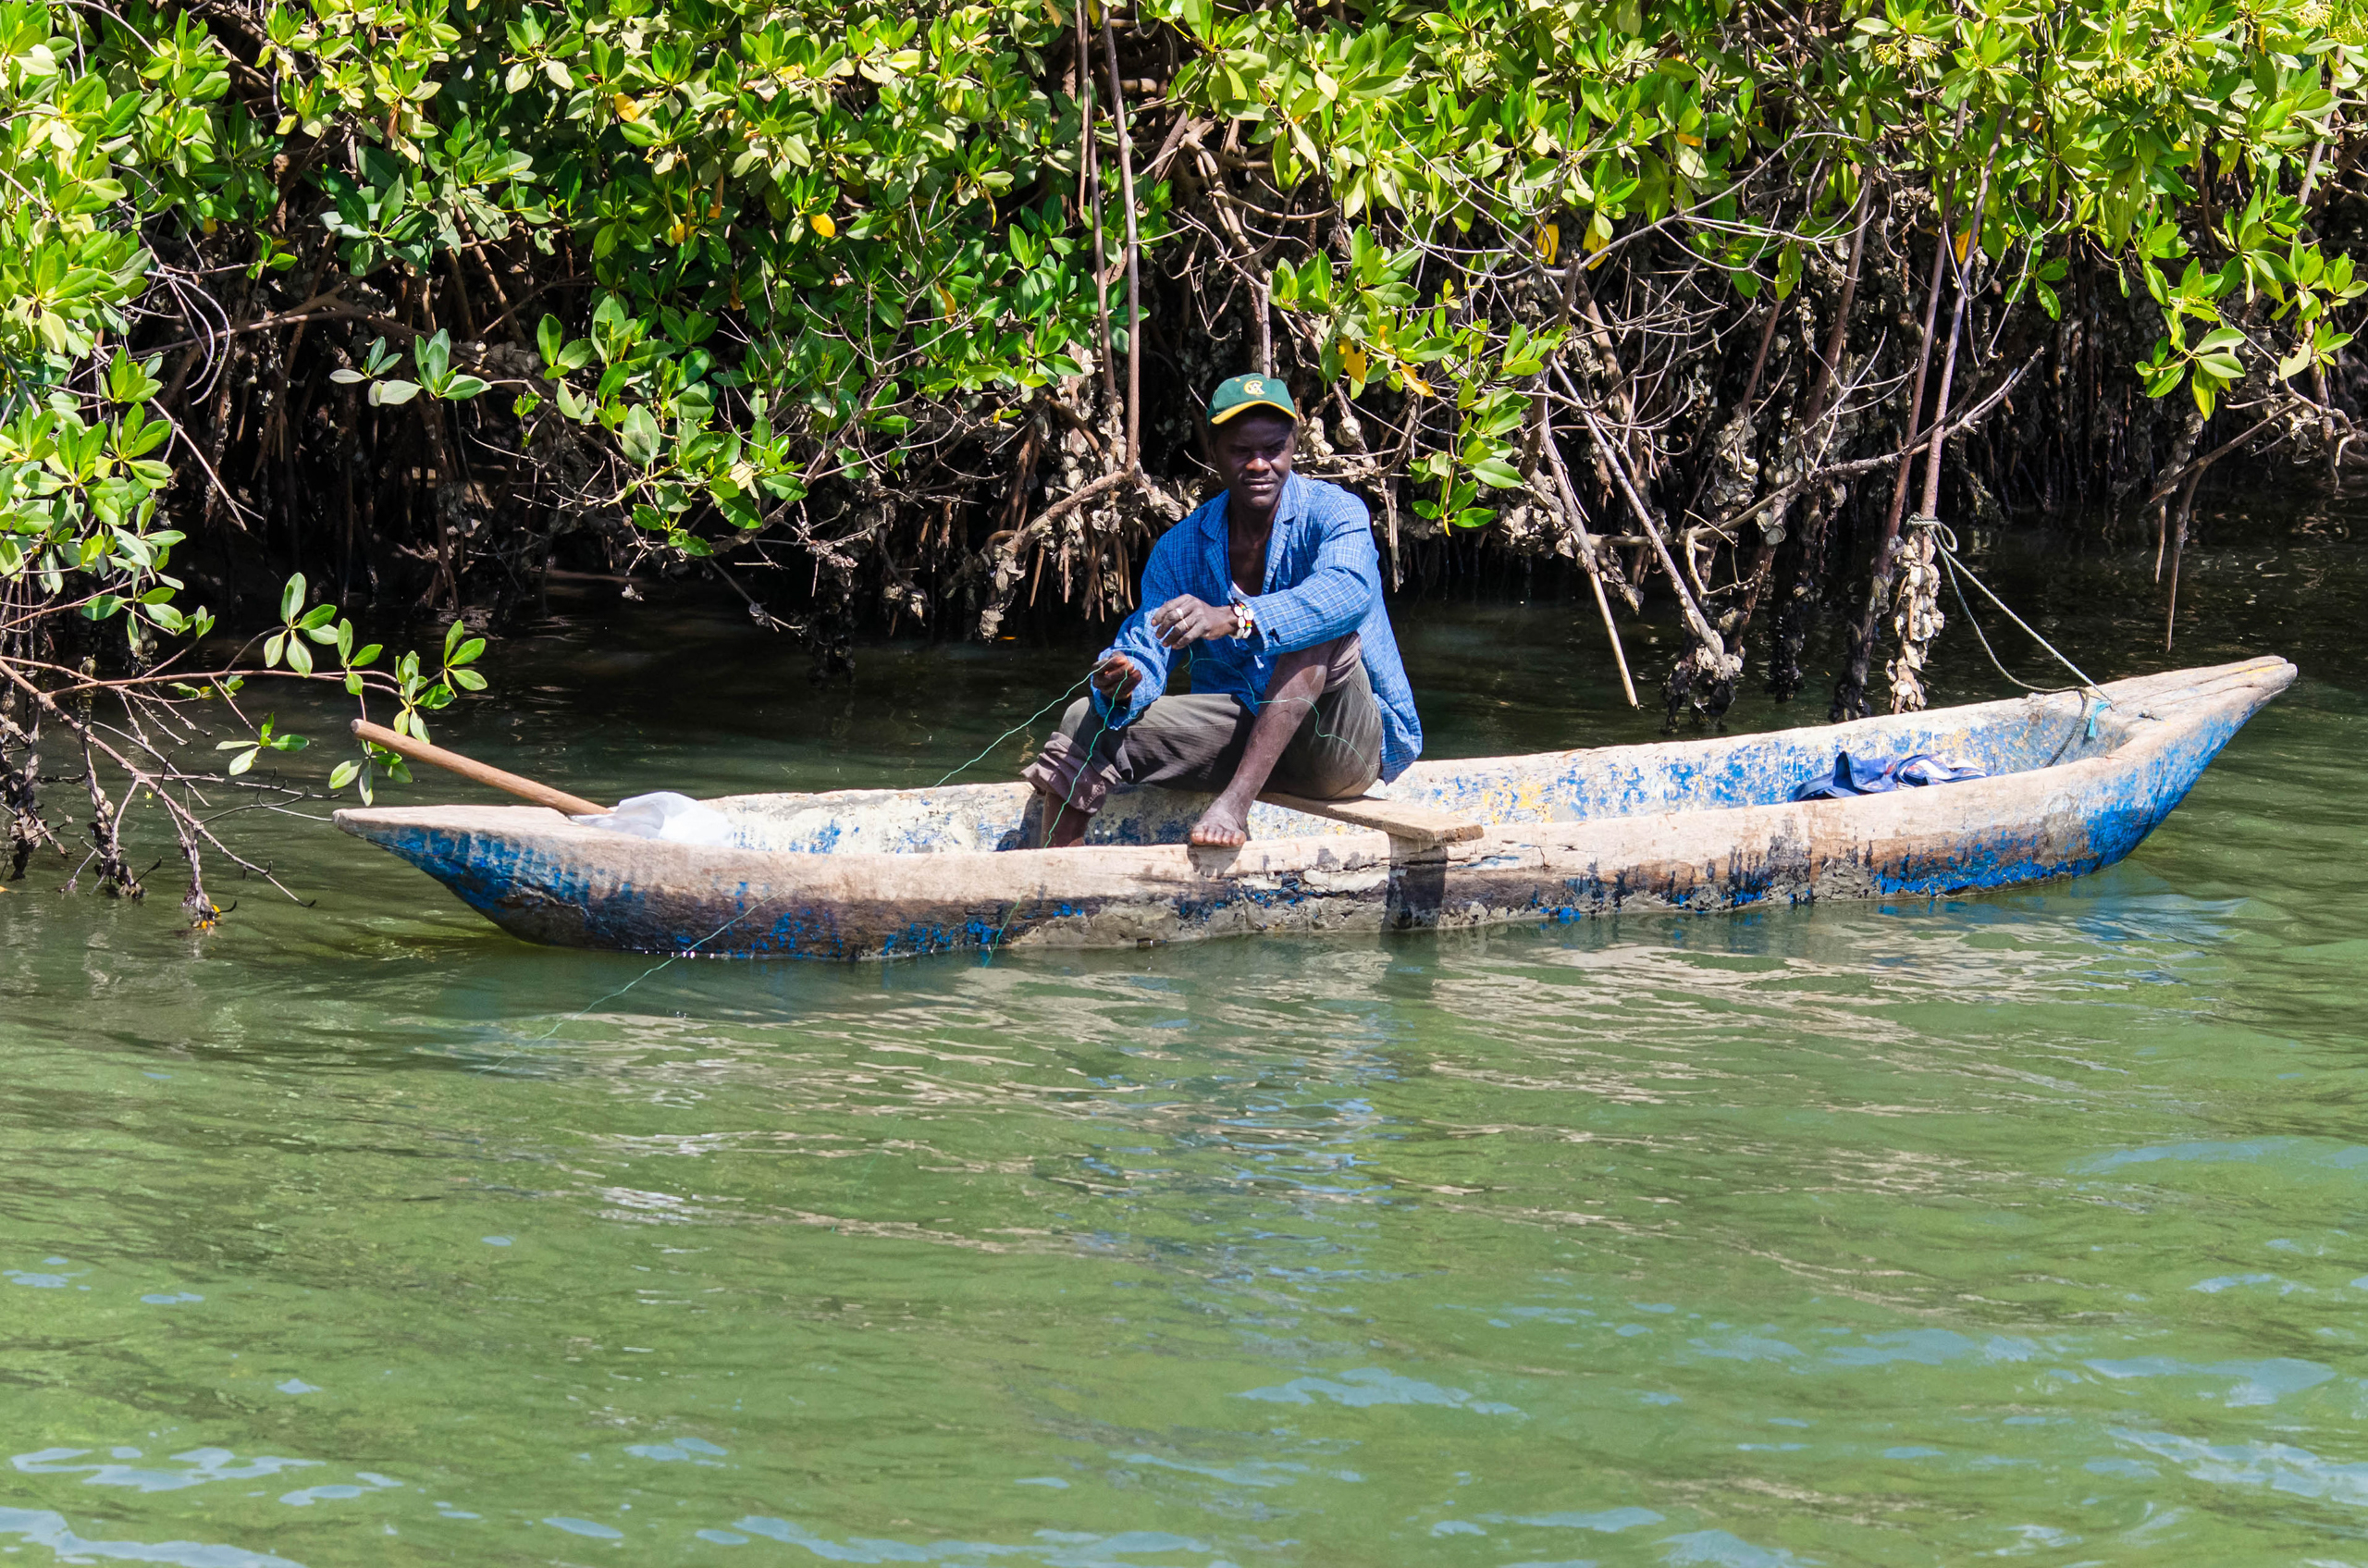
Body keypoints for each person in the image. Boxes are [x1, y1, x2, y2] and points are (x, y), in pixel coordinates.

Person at [1020, 374, 1423, 847]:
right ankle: (1054, 886)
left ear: (1293, 447)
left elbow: (1347, 593)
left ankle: (1235, 804)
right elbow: (1149, 644)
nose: (1259, 464)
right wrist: (1126, 680)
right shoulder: (1179, 548)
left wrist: (1234, 618)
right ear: (1214, 452)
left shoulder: (1336, 513)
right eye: (1240, 452)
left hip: (1338, 750)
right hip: (1240, 735)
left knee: (1318, 629)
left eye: (1273, 449)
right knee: (1085, 718)